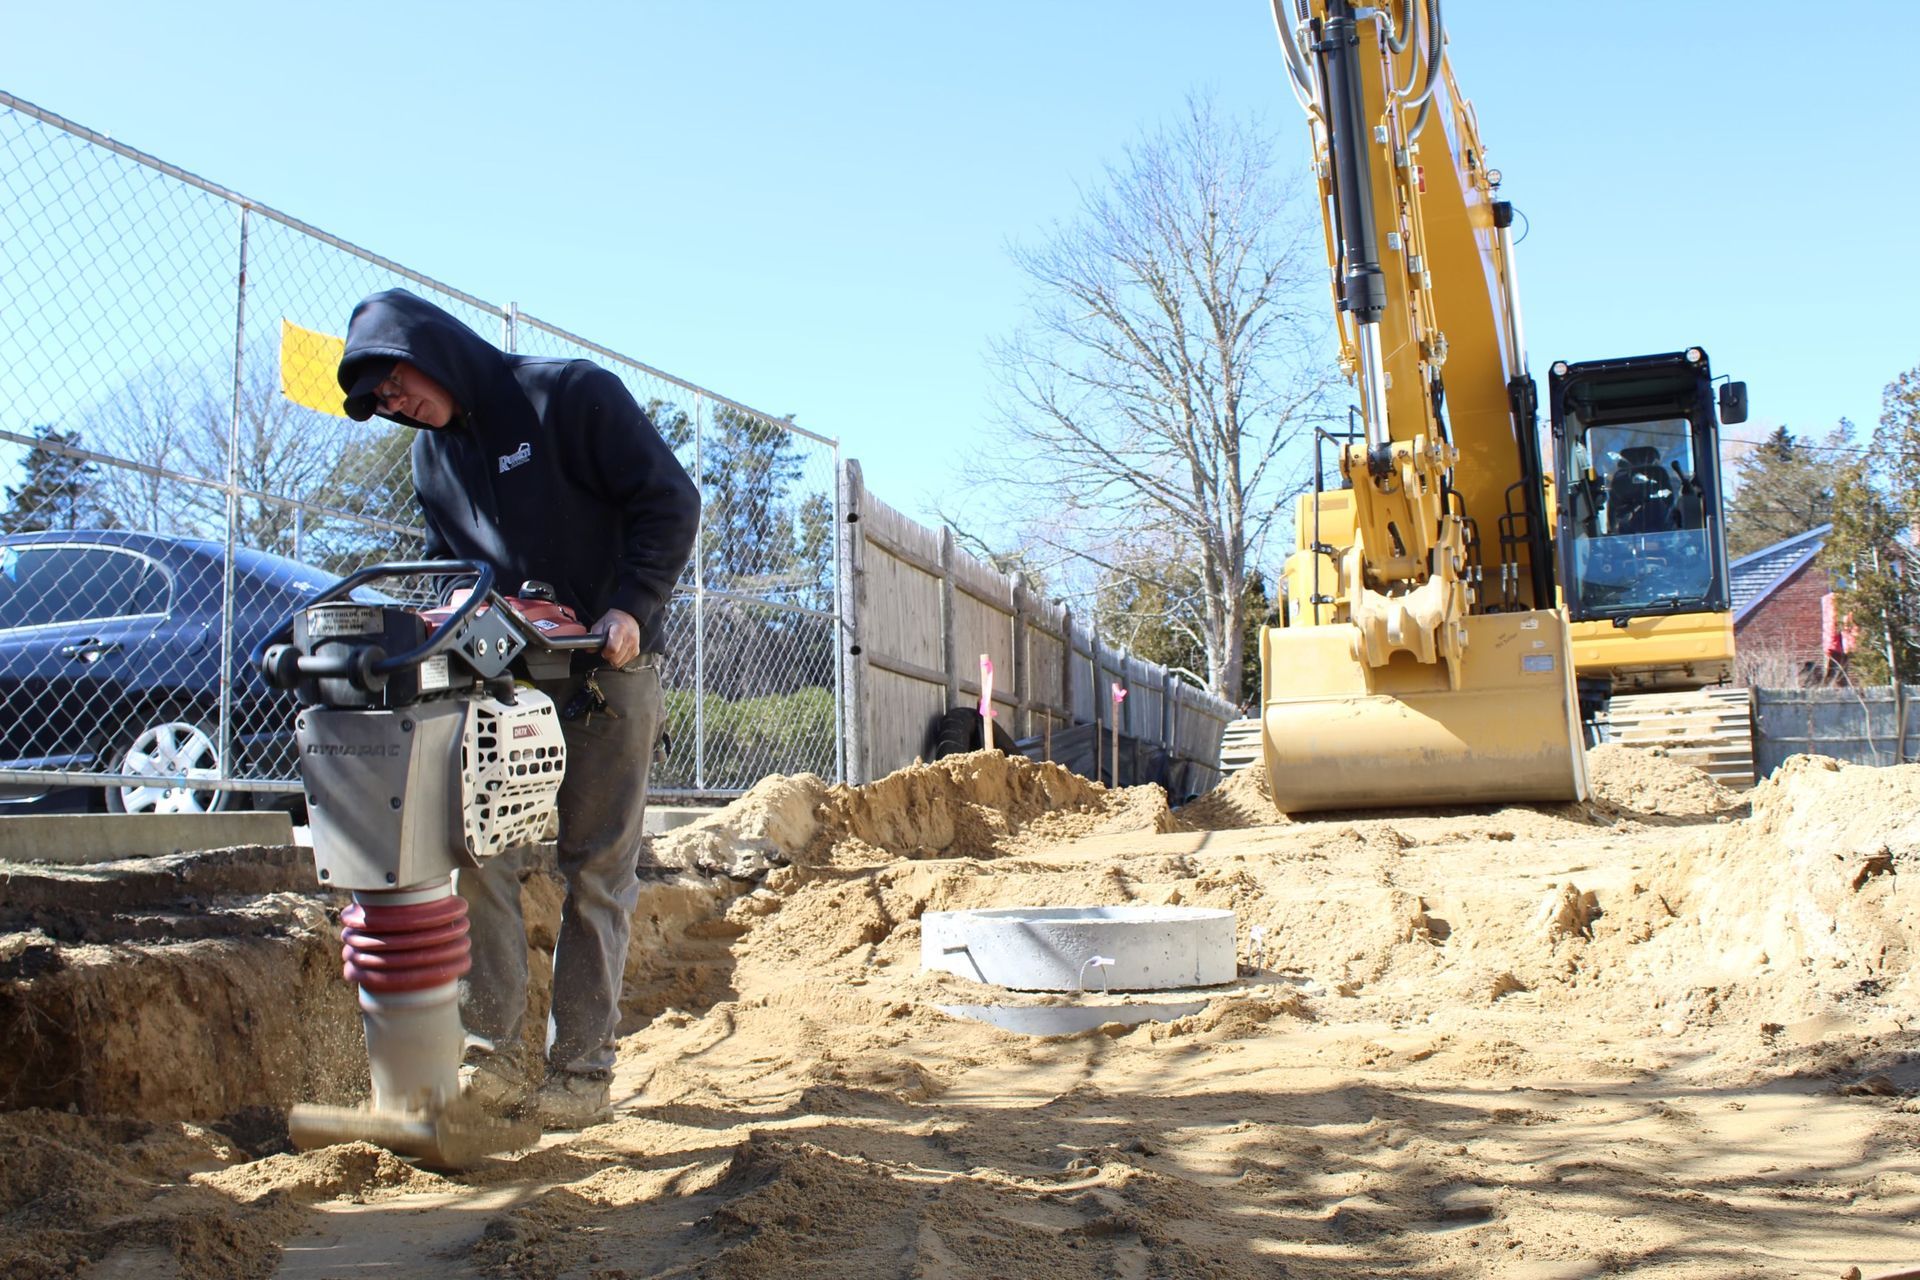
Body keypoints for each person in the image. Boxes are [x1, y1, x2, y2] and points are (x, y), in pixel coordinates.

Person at [336, 288, 700, 1128]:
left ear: (430, 348)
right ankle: (492, 1056)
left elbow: (670, 501)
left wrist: (631, 606)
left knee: (597, 868)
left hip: (609, 670)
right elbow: (448, 565)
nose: (395, 409)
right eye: (382, 406)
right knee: (482, 856)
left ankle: (580, 1070)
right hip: (507, 680)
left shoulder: (569, 395)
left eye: (393, 386)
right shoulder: (434, 457)